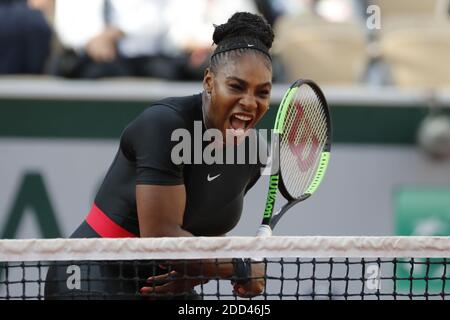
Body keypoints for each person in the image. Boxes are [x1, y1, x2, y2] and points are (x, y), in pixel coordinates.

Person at [44, 12, 274, 300]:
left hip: (161, 285)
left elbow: (200, 234)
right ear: (208, 81)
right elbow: (162, 238)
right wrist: (239, 265)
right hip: (92, 270)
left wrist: (201, 272)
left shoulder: (255, 153)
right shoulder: (165, 124)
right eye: (236, 87)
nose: (250, 102)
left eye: (262, 93)